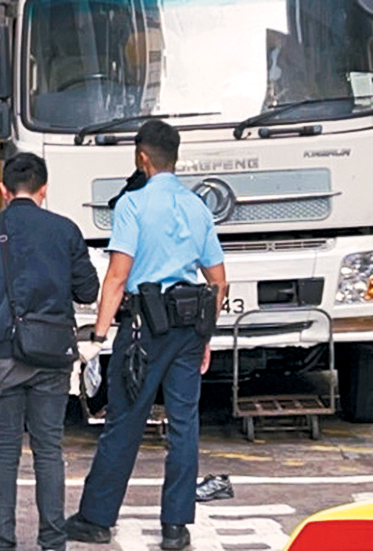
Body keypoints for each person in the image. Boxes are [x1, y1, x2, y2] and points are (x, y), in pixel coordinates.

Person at [65, 121, 228, 550]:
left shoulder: (132, 205)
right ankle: (176, 527)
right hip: (190, 328)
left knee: (125, 421)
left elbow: (117, 278)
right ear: (175, 157)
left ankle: (97, 519)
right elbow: (218, 280)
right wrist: (204, 336)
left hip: (143, 330)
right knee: (184, 423)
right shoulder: (198, 207)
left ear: (142, 157)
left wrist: (98, 339)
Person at [0, 152, 99, 551]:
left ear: (2, 190)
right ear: (44, 188)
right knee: (48, 449)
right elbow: (88, 291)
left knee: (3, 450)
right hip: (52, 355)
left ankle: (2, 542)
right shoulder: (65, 230)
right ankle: (52, 541)